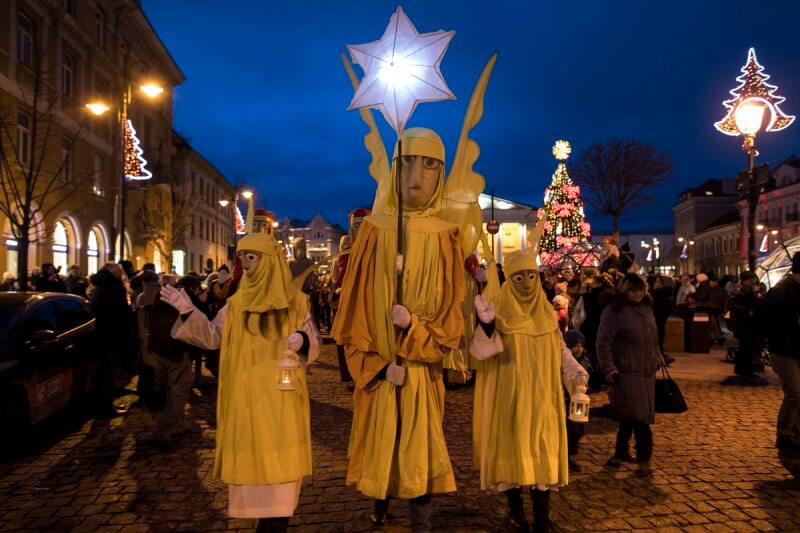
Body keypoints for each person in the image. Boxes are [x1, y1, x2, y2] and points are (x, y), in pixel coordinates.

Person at [331, 128, 465, 531]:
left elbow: (451, 323)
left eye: (429, 164)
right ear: (393, 168)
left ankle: (420, 523)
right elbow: (352, 317)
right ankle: (378, 504)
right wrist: (374, 365)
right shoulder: (371, 231)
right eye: (407, 162)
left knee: (419, 449)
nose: (416, 176)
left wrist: (416, 330)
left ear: (441, 172)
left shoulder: (447, 236)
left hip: (421, 374)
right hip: (382, 371)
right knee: (382, 442)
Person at [160, 232, 320, 532]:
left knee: (281, 482)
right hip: (246, 405)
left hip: (282, 403)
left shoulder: (296, 303)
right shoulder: (234, 306)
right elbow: (210, 336)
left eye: (252, 257)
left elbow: (313, 343)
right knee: (256, 482)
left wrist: (303, 341)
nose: (244, 264)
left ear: (269, 261)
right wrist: (188, 310)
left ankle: (276, 524)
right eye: (242, 257)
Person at [469, 251, 588, 532]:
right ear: (509, 280)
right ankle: (515, 509)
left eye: (531, 276)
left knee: (542, 451)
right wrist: (486, 325)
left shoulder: (546, 313)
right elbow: (481, 352)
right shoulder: (498, 309)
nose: (526, 283)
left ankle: (542, 518)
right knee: (513, 452)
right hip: (508, 398)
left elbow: (559, 350)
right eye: (518, 277)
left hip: (543, 399)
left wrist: (575, 373)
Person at [597, 273, 660, 471]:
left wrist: (658, 356)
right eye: (633, 289)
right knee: (641, 416)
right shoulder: (614, 311)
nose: (638, 293)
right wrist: (608, 368)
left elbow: (652, 338)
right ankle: (645, 459)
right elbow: (603, 342)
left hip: (647, 371)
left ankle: (620, 451)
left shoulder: (646, 308)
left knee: (631, 413)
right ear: (625, 289)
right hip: (625, 371)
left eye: (641, 289)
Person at [762, 253, 800, 455]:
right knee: (795, 393)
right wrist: (795, 319)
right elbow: (767, 319)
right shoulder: (781, 290)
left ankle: (796, 435)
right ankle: (784, 436)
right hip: (784, 350)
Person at [89, 262, 132, 417]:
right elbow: (118, 314)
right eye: (120, 272)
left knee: (104, 372)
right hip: (111, 337)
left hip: (104, 336)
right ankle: (105, 407)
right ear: (112, 273)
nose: (122, 275)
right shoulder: (112, 288)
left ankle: (102, 404)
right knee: (108, 373)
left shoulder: (102, 287)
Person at [564, 329, 591, 474]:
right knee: (571, 429)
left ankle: (572, 453)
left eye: (581, 345)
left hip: (580, 402)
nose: (579, 349)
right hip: (568, 401)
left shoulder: (584, 361)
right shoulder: (566, 364)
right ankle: (567, 456)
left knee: (579, 429)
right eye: (575, 345)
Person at [726, 271, 761, 378]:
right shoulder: (740, 291)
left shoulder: (750, 291)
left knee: (747, 347)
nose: (753, 281)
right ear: (745, 280)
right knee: (746, 347)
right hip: (743, 324)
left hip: (749, 323)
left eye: (753, 279)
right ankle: (745, 370)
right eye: (751, 279)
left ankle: (744, 369)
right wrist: (746, 311)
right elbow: (732, 305)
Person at [651, 274, 676, 366]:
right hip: (658, 328)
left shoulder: (660, 298)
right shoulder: (661, 296)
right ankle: (663, 357)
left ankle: (662, 357)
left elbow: (656, 314)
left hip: (656, 327)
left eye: (657, 282)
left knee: (656, 343)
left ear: (664, 284)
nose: (654, 283)